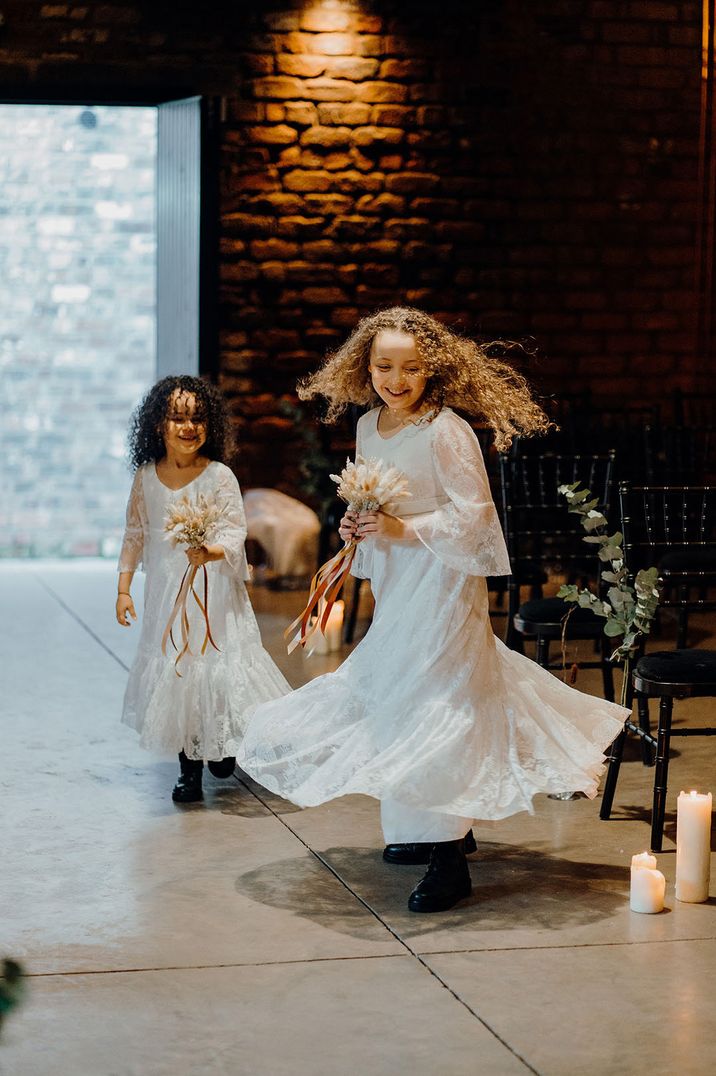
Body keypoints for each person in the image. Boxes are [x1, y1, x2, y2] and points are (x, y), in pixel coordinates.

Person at [237, 307, 628, 913]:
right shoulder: (369, 426)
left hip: (443, 578)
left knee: (439, 696)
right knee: (400, 692)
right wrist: (361, 524)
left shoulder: (447, 430)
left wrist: (402, 526)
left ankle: (448, 857)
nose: (397, 379)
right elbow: (373, 495)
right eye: (385, 367)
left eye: (411, 368)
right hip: (398, 576)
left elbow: (473, 516)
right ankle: (429, 828)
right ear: (365, 368)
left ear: (432, 370)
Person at [116, 375, 290, 803]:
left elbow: (235, 531)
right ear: (158, 425)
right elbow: (135, 534)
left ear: (210, 425)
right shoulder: (146, 478)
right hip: (166, 597)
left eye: (197, 418)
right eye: (177, 418)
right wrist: (123, 589)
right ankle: (188, 770)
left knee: (216, 669)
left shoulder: (219, 476)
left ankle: (222, 746)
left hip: (214, 595)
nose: (187, 427)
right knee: (179, 674)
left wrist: (211, 551)